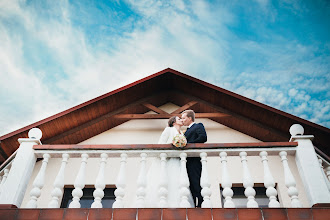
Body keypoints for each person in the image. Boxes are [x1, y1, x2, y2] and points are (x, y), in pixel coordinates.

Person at [144, 116, 194, 208]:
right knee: (167, 179)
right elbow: (161, 144)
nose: (181, 120)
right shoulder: (168, 130)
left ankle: (176, 204)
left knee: (177, 182)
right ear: (174, 122)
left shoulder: (183, 134)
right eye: (179, 119)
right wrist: (172, 146)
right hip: (168, 160)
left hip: (178, 161)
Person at [181, 110, 207, 207]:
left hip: (194, 158)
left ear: (189, 118)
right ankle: (193, 204)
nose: (182, 120)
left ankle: (200, 202)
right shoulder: (185, 131)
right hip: (185, 160)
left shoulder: (198, 126)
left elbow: (203, 137)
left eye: (183, 118)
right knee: (189, 183)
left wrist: (189, 145)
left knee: (196, 180)